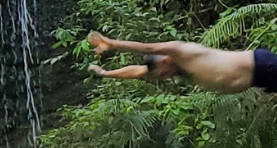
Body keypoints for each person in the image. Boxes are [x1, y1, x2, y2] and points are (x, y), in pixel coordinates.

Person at [87, 31, 277, 94]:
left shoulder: (181, 52)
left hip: (259, 64)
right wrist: (105, 73)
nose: (167, 78)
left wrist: (112, 43)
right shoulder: (177, 69)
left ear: (164, 61)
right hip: (258, 80)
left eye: (163, 74)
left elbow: (148, 48)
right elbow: (137, 72)